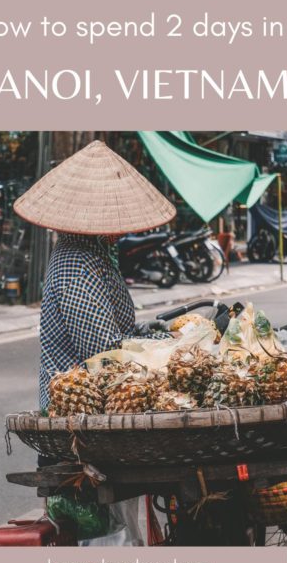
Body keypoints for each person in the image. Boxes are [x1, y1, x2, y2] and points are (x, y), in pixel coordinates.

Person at [14, 140, 177, 411]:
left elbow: (115, 331)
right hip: (76, 413)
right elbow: (103, 353)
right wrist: (165, 347)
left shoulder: (97, 254)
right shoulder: (76, 264)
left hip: (104, 403)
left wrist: (153, 333)